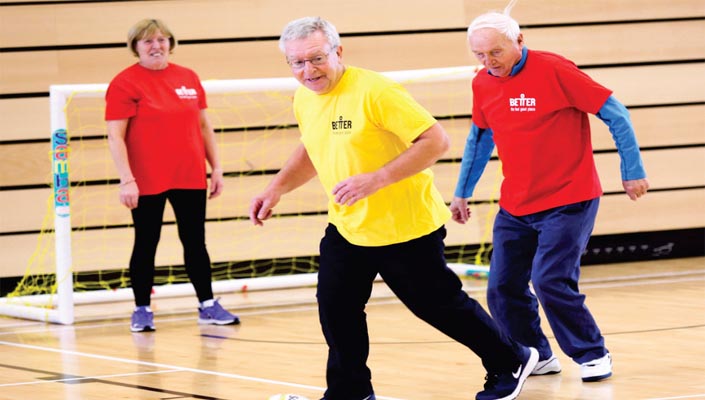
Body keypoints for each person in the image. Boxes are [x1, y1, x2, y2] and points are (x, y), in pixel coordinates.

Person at [249, 16, 538, 400]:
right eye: (297, 63)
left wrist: (378, 178)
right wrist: (276, 189)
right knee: (336, 307)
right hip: (349, 225)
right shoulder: (305, 95)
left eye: (316, 59)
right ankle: (350, 391)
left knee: (438, 306)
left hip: (406, 225)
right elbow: (312, 146)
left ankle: (511, 359)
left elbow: (436, 141)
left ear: (338, 51)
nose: (308, 70)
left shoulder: (375, 91)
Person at [450, 3, 649, 383]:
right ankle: (536, 355)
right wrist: (462, 192)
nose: (489, 61)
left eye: (496, 51)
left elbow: (616, 113)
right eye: (479, 54)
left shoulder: (555, 69)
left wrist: (632, 170)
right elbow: (479, 138)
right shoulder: (482, 82)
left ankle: (592, 353)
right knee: (503, 286)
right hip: (516, 205)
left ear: (519, 40)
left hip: (569, 198)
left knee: (549, 279)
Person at [106, 19, 239, 332]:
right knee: (146, 243)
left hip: (190, 175)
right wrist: (127, 179)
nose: (156, 46)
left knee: (195, 243)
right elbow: (115, 136)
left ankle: (207, 305)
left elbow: (204, 126)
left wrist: (215, 167)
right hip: (147, 179)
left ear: (170, 43)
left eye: (162, 39)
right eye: (148, 41)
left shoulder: (188, 77)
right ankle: (141, 309)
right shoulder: (124, 83)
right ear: (135, 47)